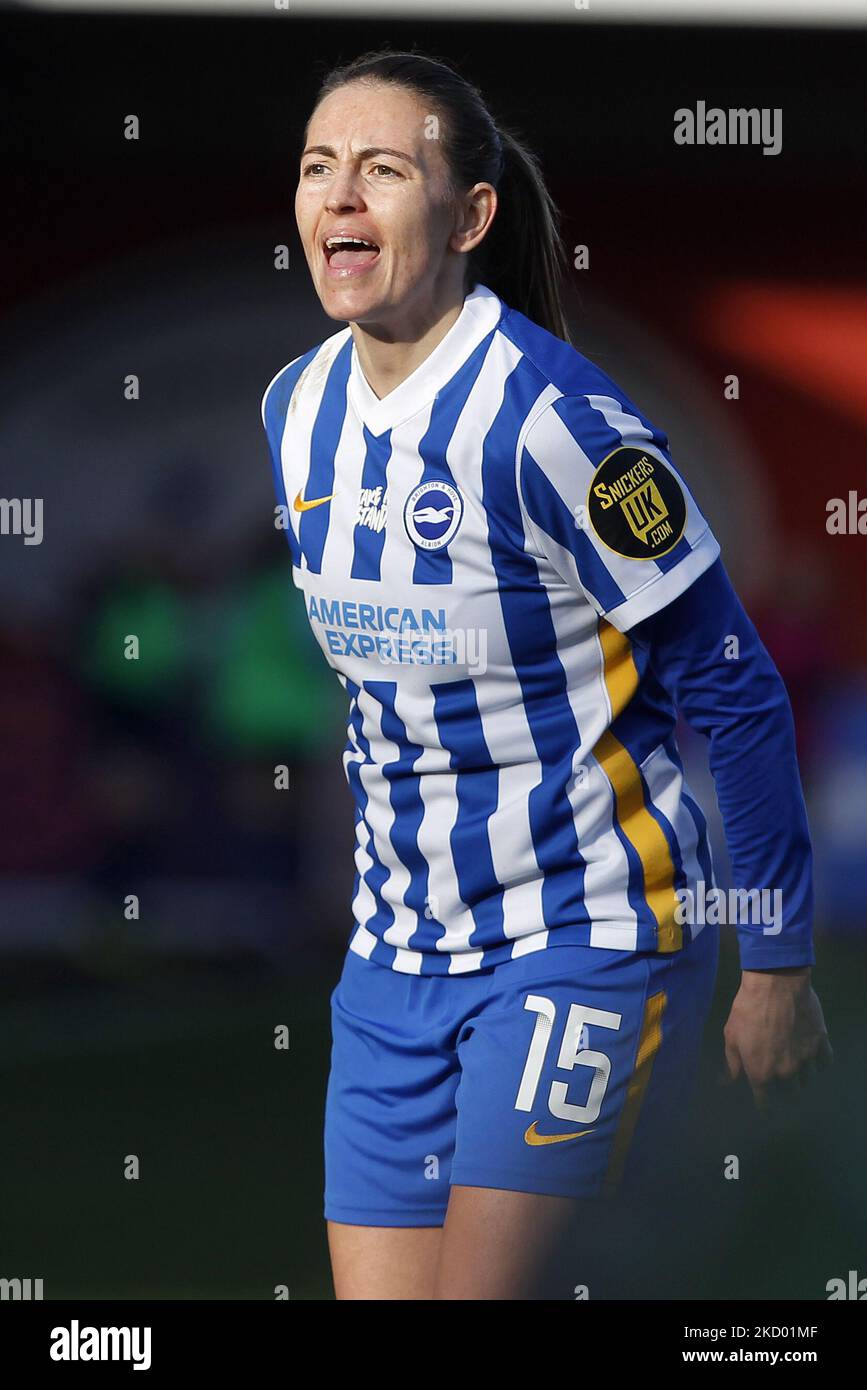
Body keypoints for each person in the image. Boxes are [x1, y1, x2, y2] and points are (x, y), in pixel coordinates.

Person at [260, 48, 832, 1301]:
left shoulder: (557, 423)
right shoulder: (293, 410)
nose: (339, 197)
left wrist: (776, 961)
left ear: (471, 216)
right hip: (392, 961)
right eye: (317, 168)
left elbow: (731, 684)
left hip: (585, 938)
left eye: (382, 169)